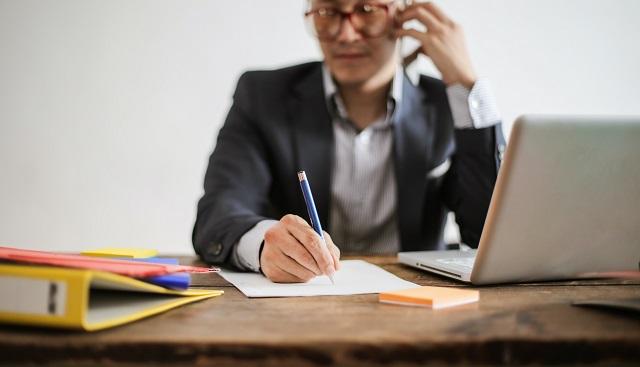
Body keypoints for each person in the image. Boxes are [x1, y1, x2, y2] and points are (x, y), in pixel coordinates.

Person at [193, 0, 505, 283]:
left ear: (404, 12)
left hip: (417, 305)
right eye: (328, 12)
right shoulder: (263, 96)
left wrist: (466, 87)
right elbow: (219, 213)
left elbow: (489, 235)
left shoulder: (447, 103)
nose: (345, 34)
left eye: (367, 10)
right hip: (298, 307)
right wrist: (263, 244)